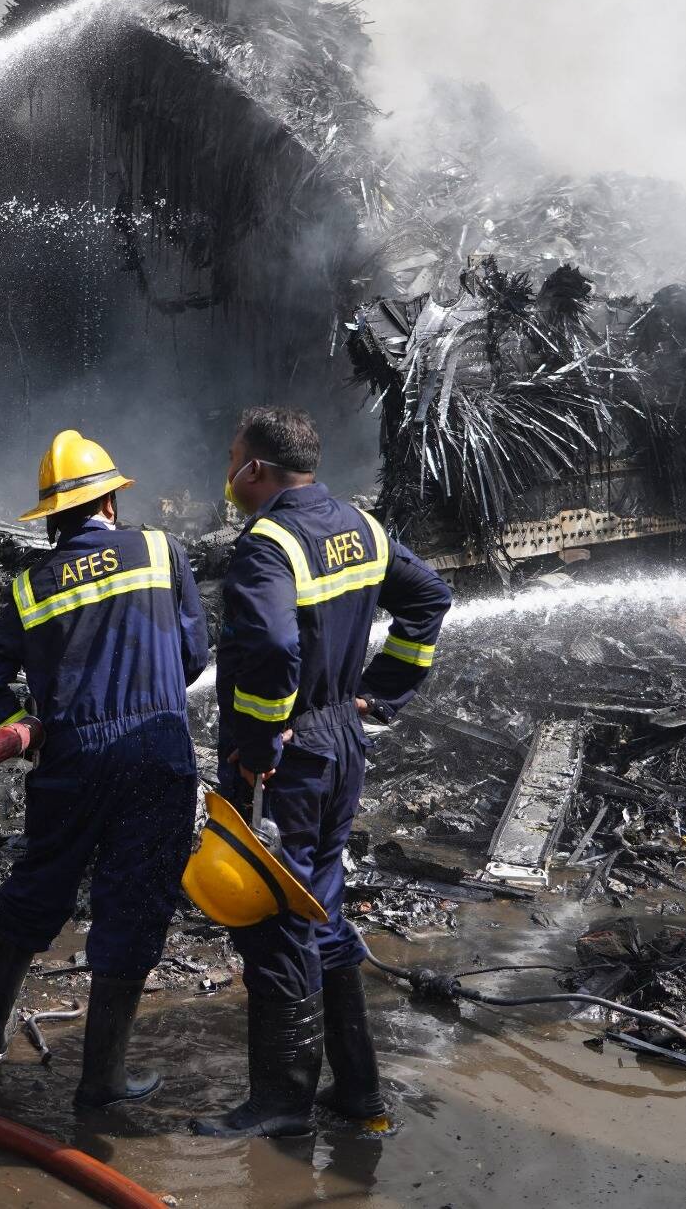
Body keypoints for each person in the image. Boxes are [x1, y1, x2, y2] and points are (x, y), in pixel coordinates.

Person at [194, 406, 452, 1139]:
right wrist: (383, 695)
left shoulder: (268, 543)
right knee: (321, 906)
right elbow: (429, 597)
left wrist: (263, 734)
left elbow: (274, 647)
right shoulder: (362, 528)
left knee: (273, 916)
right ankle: (359, 1094)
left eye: (234, 458)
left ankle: (281, 1104)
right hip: (341, 741)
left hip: (288, 757)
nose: (231, 473)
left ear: (257, 470)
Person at [0, 430, 208, 1108]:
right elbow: (194, 656)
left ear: (51, 517)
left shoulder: (27, 585)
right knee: (132, 908)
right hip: (156, 756)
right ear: (110, 502)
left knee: (37, 888)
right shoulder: (159, 551)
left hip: (67, 759)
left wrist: (19, 723)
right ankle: (100, 1081)